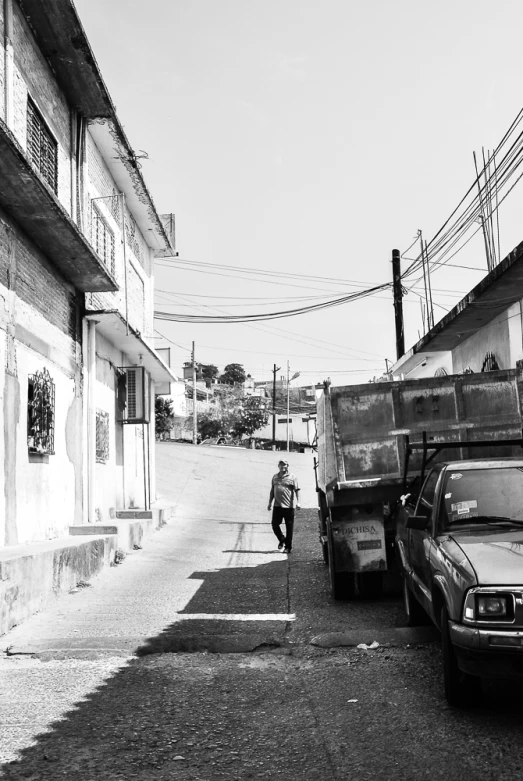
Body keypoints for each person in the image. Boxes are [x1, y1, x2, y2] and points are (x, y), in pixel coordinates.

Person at [267, 459, 300, 554]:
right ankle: (282, 539)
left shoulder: (292, 477)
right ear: (278, 466)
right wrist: (270, 503)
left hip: (289, 507)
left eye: (284, 465)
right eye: (281, 465)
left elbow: (297, 490)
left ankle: (288, 547)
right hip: (277, 506)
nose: (283, 467)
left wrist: (299, 502)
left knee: (289, 528)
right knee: (274, 524)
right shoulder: (275, 477)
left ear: (287, 466)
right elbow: (272, 491)